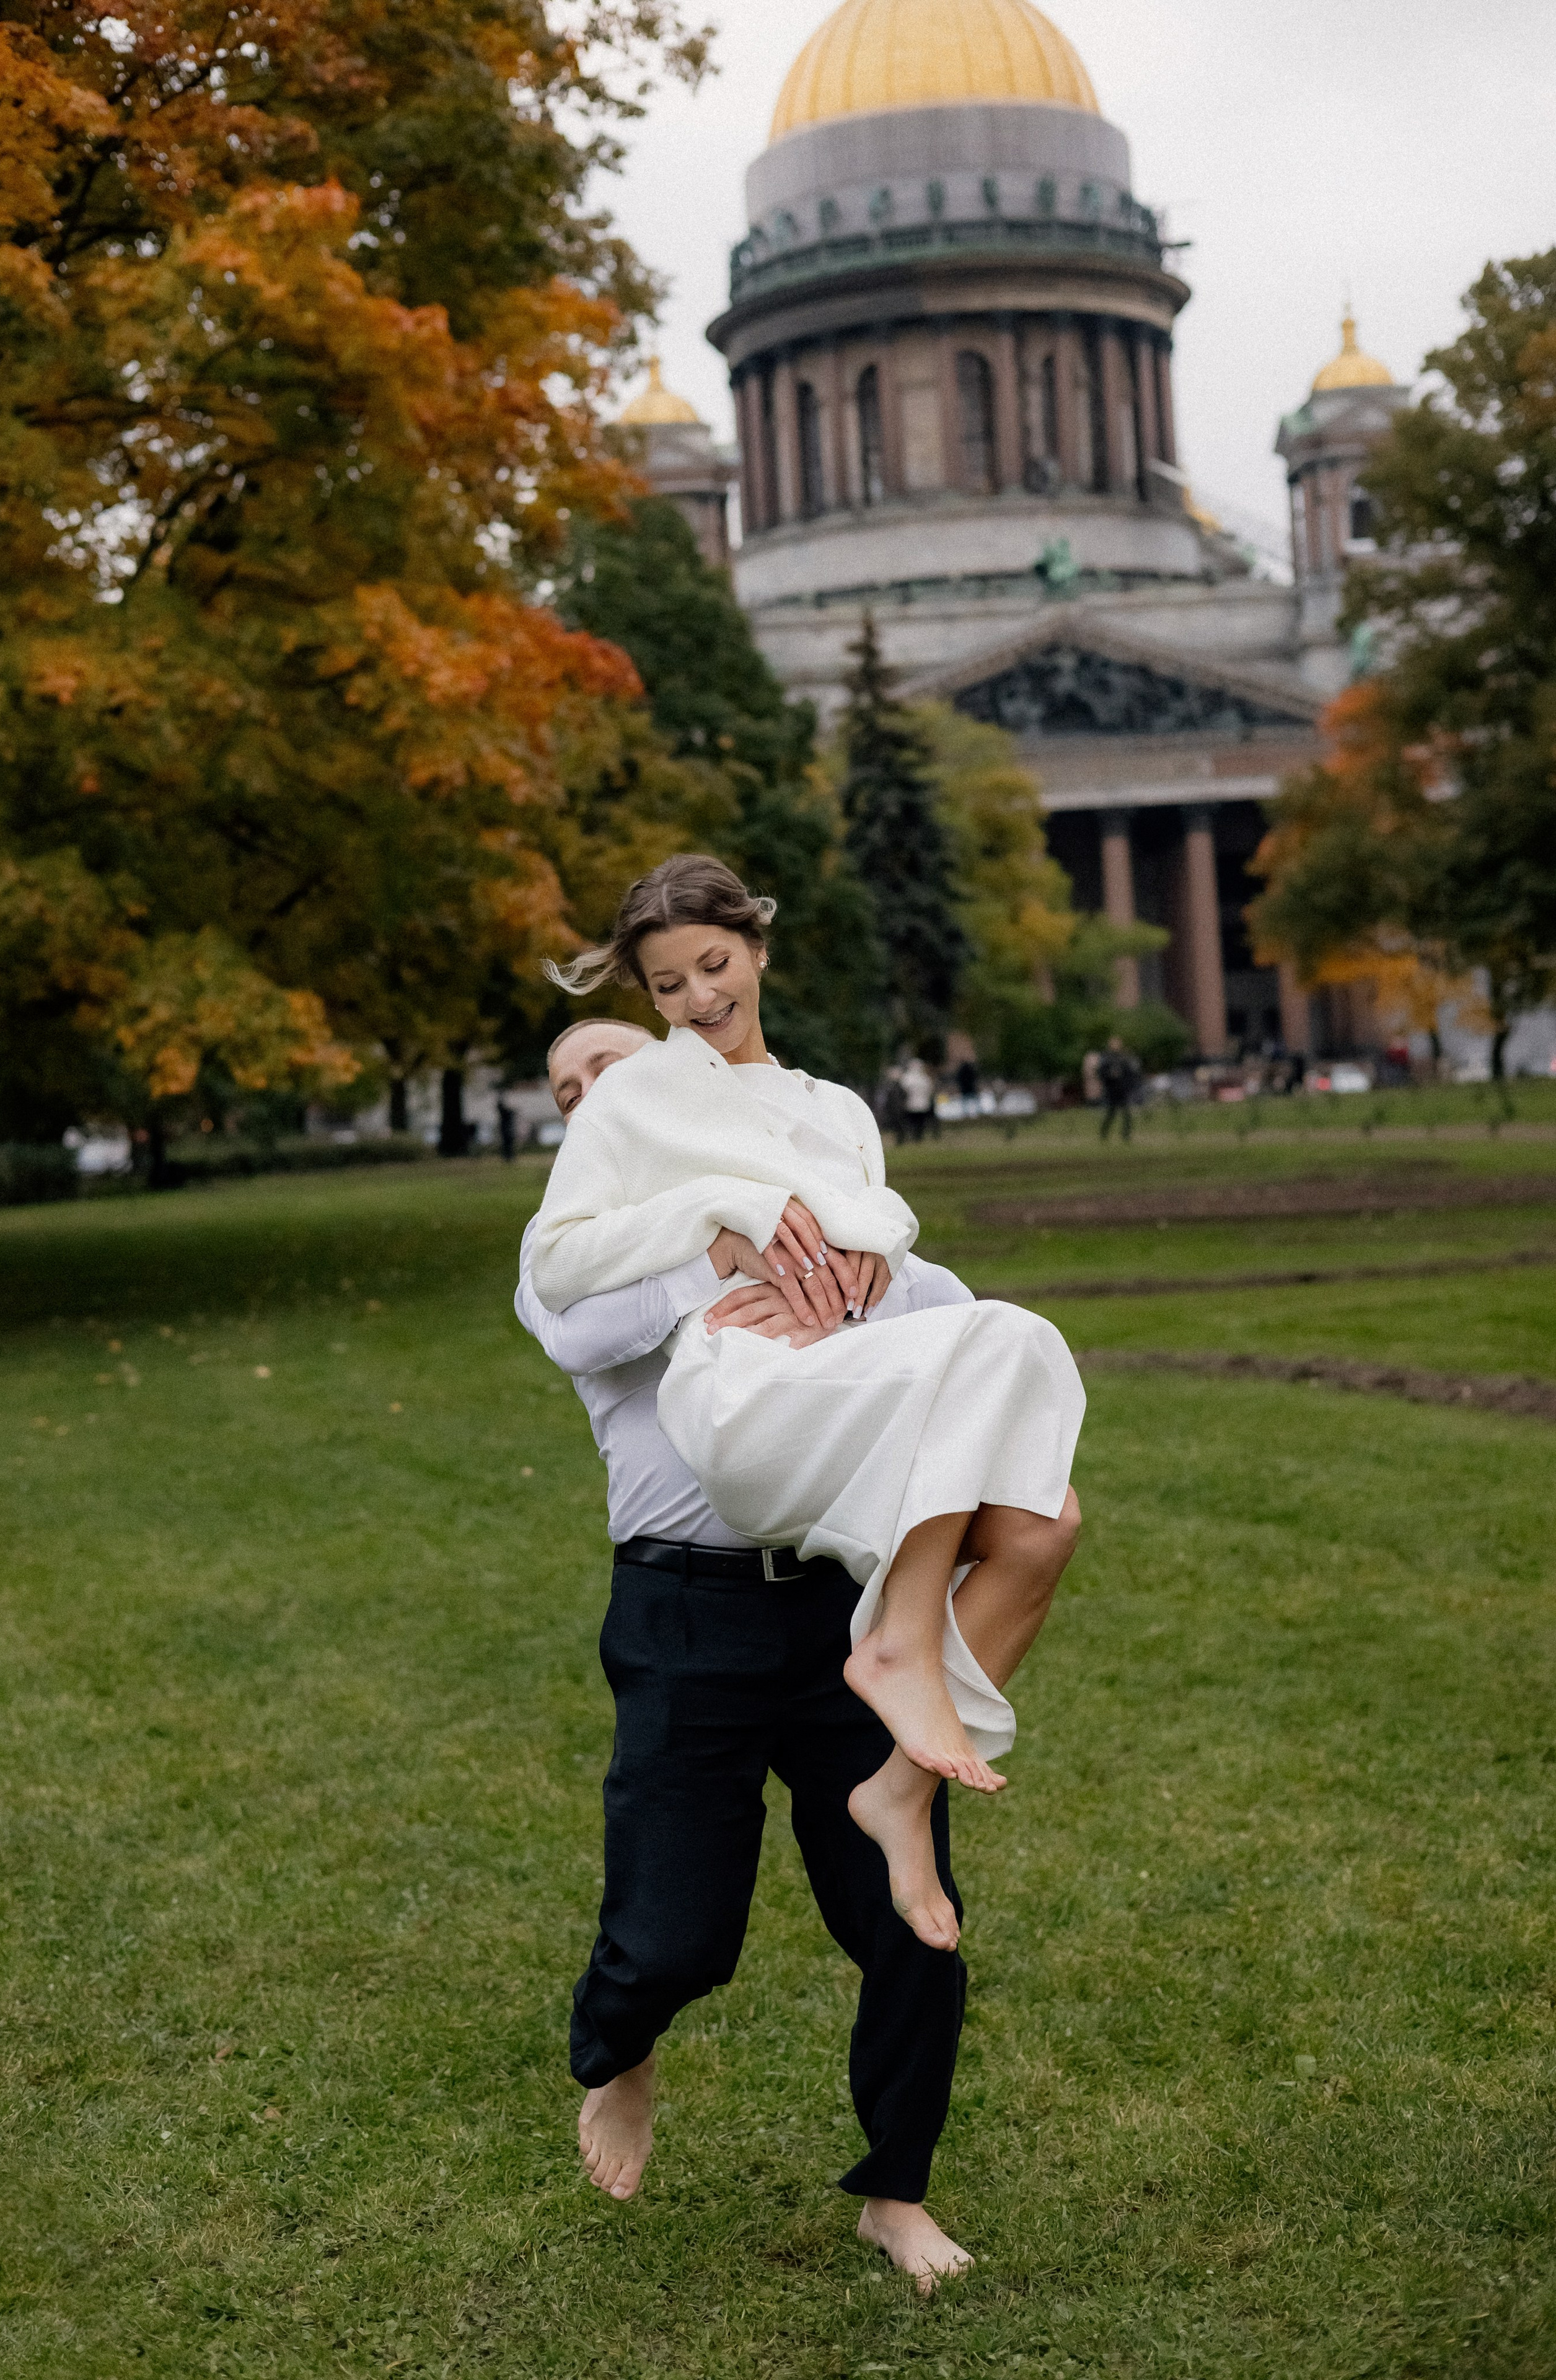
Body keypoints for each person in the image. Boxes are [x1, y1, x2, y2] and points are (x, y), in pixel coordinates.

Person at [519, 1016, 1081, 2286]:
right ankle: (620, 2049)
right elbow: (580, 1330)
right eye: (570, 1089)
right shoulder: (571, 1249)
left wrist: (852, 1269)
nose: (600, 1094)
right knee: (670, 1937)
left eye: (617, 1065)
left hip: (841, 1600)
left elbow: (937, 1303)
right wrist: (724, 1246)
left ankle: (896, 2191)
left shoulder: (816, 1194)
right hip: (681, 1617)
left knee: (908, 1920)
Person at [531, 857, 1086, 1941]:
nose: (699, 998)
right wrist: (714, 1222)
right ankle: (895, 1651)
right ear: (646, 1001)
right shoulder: (635, 1094)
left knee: (1045, 1513)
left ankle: (900, 1785)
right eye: (670, 984)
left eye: (714, 964)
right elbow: (558, 1263)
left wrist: (874, 1257)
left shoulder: (835, 1107)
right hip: (741, 1400)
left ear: (756, 951)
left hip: (836, 1382)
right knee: (1010, 1339)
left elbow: (878, 1222)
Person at [1096, 1035, 1140, 1143]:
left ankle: (1126, 1135)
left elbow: (1131, 1073)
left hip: (1123, 1090)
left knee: (1126, 1114)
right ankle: (1104, 1134)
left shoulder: (1125, 1058)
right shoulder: (1106, 1058)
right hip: (1112, 1090)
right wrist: (1110, 1076)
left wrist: (1129, 1085)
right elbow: (1100, 1073)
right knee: (1111, 1113)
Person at [898, 1054, 938, 1142]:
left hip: (911, 1104)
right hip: (922, 1104)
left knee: (913, 1122)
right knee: (920, 1122)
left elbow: (903, 1090)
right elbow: (930, 1090)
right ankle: (918, 1137)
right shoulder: (924, 1079)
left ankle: (915, 1137)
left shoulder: (907, 1078)